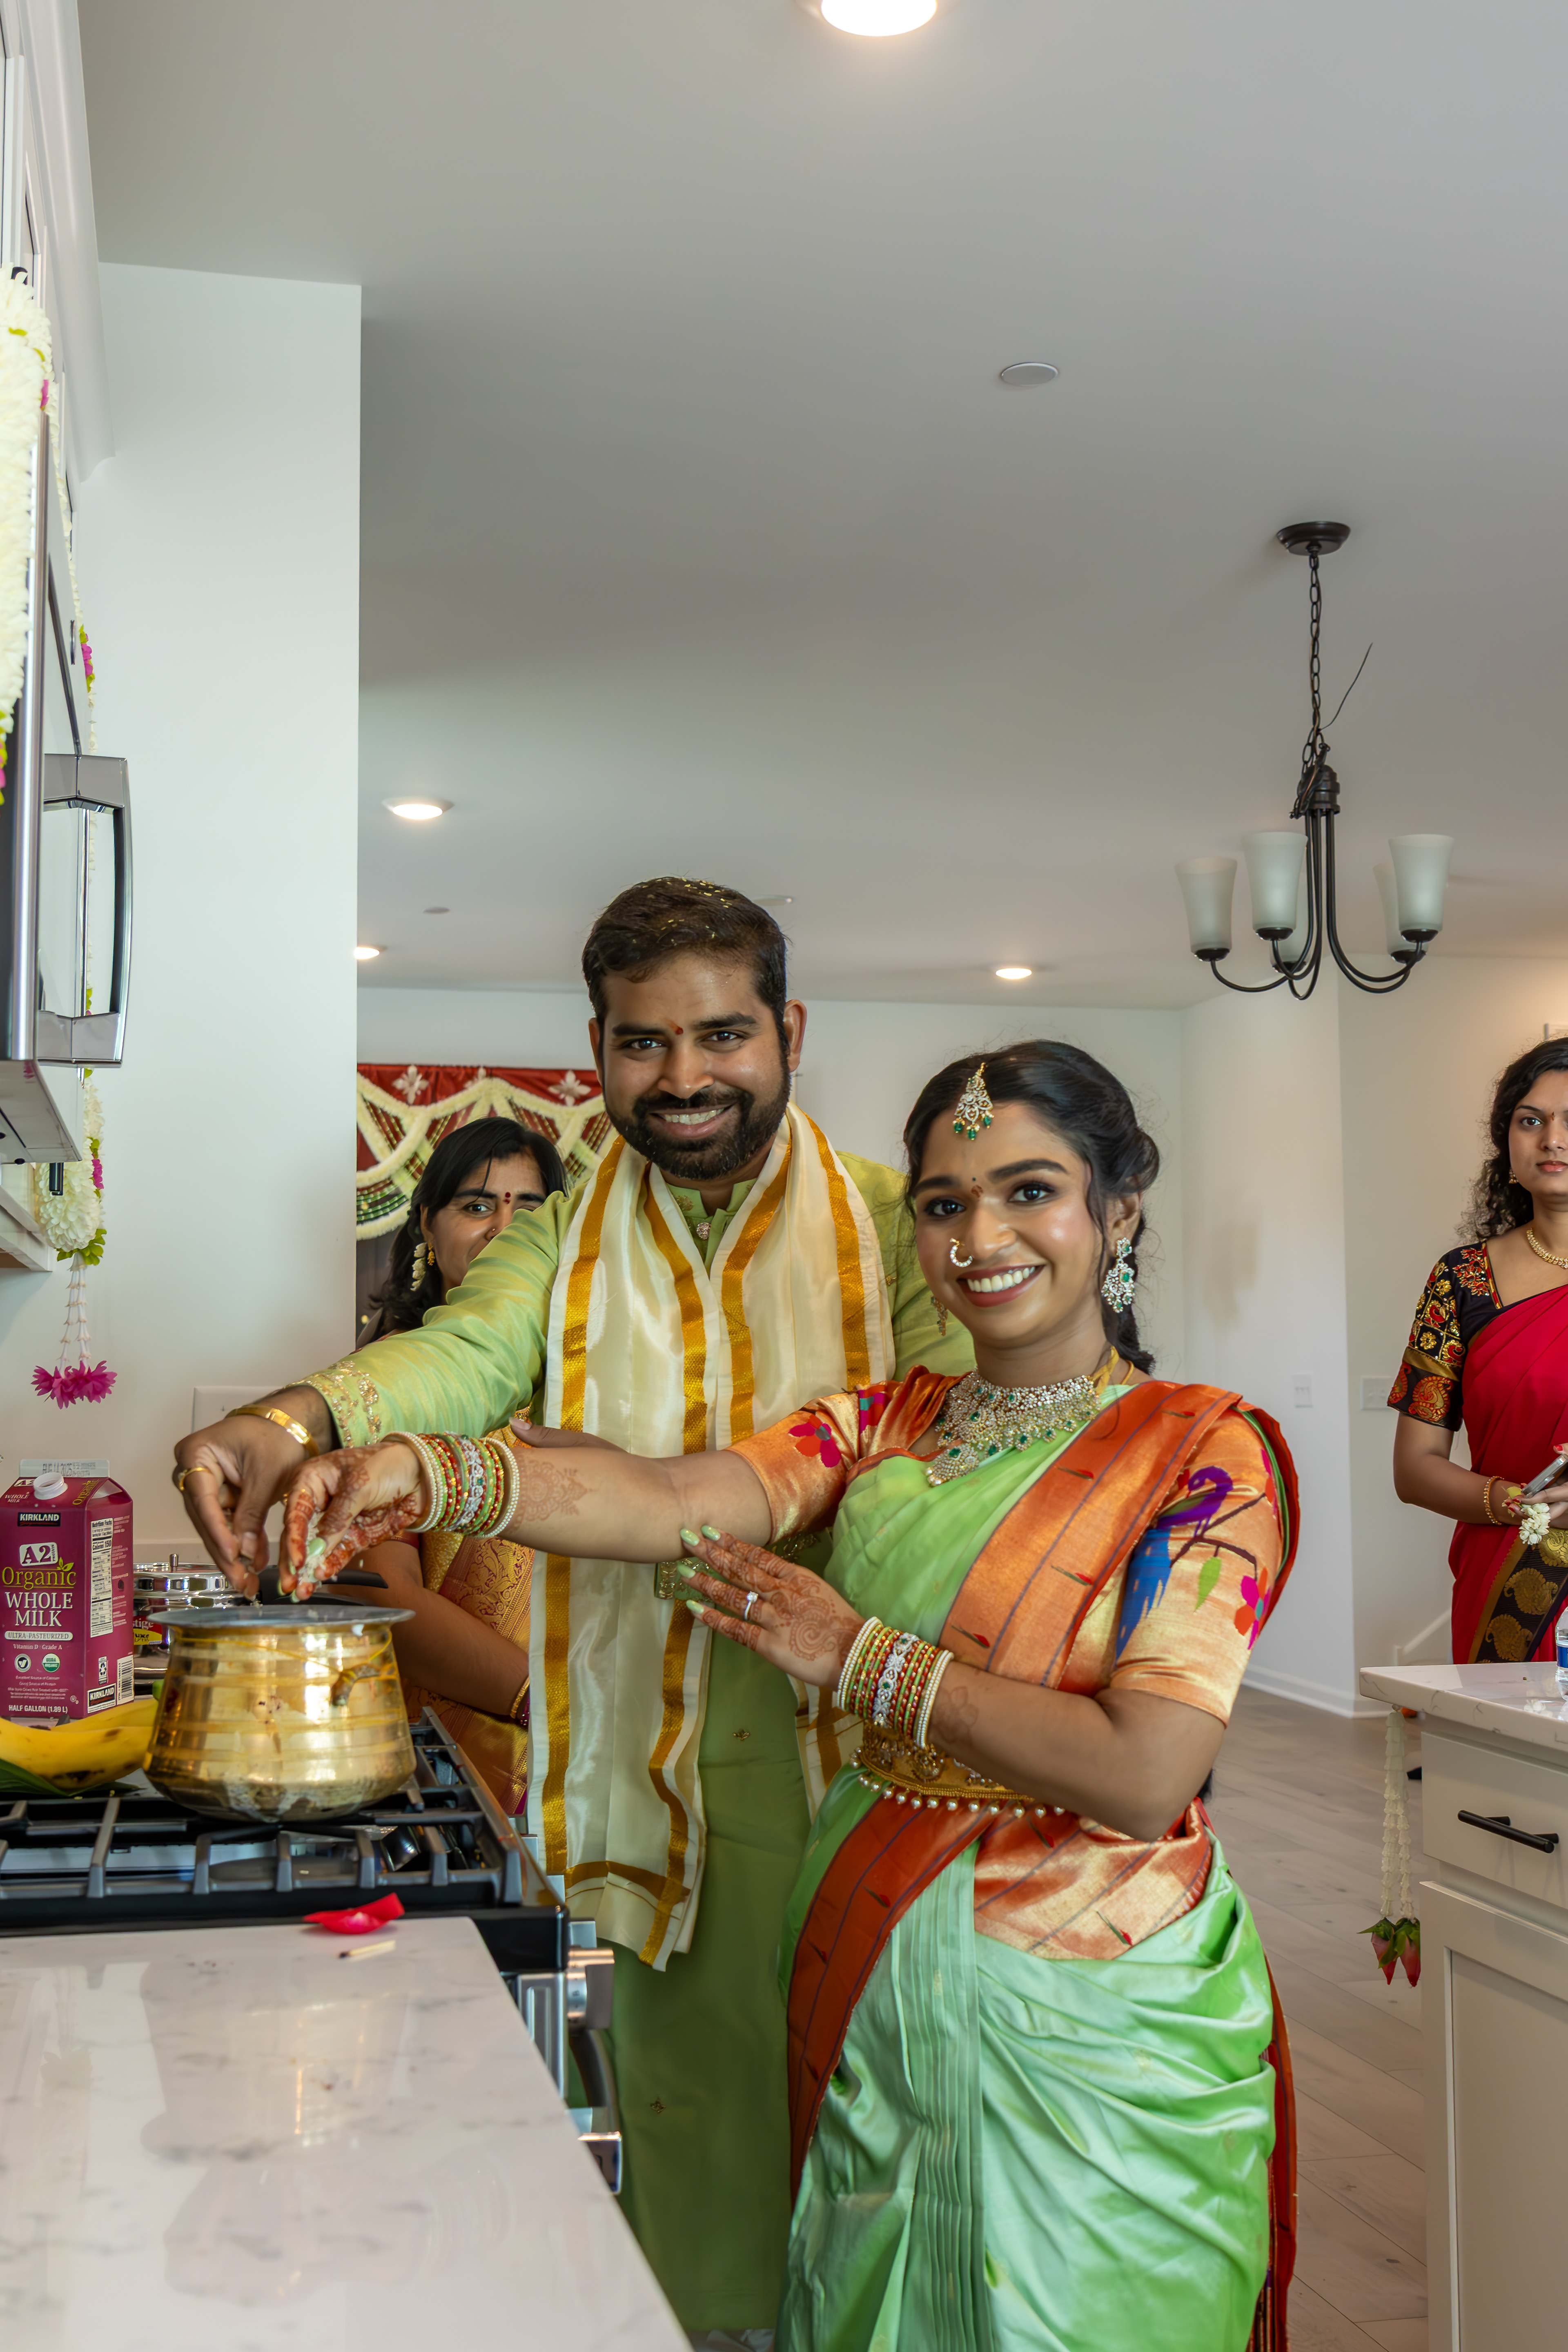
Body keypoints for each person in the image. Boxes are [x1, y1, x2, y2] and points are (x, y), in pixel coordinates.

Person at [281, 1041, 1298, 2352]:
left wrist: (854, 1655)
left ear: (1121, 1210)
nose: (981, 1238)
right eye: (945, 1203)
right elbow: (672, 1498)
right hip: (872, 1949)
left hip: (1096, 2005)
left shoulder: (1206, 1455)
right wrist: (424, 1473)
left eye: (1031, 1192)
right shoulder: (886, 1423)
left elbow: (1148, 1771)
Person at [171, 877, 970, 2342]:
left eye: (722, 1036)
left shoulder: (889, 1217)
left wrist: (634, 1490)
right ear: (596, 1048)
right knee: (694, 2141)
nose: (683, 1077)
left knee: (890, 2132)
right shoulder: (562, 1238)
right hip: (644, 1742)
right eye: (642, 1043)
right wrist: (293, 1420)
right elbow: (463, 1354)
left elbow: (942, 1441)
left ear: (791, 1031)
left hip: (862, 1740)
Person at [360, 1116, 567, 1813]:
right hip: (446, 1766)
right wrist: (548, 1703)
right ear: (427, 1224)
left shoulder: (593, 1382)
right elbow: (381, 1597)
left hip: (606, 1760)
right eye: (478, 1206)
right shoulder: (389, 1385)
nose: (504, 1231)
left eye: (529, 1211)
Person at [1391, 1037, 1568, 1662]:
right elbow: (1414, 1467)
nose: (1553, 1139)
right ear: (1506, 1143)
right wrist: (1523, 1506)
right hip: (1505, 1585)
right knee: (1503, 1728)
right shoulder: (1462, 1281)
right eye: (1531, 1121)